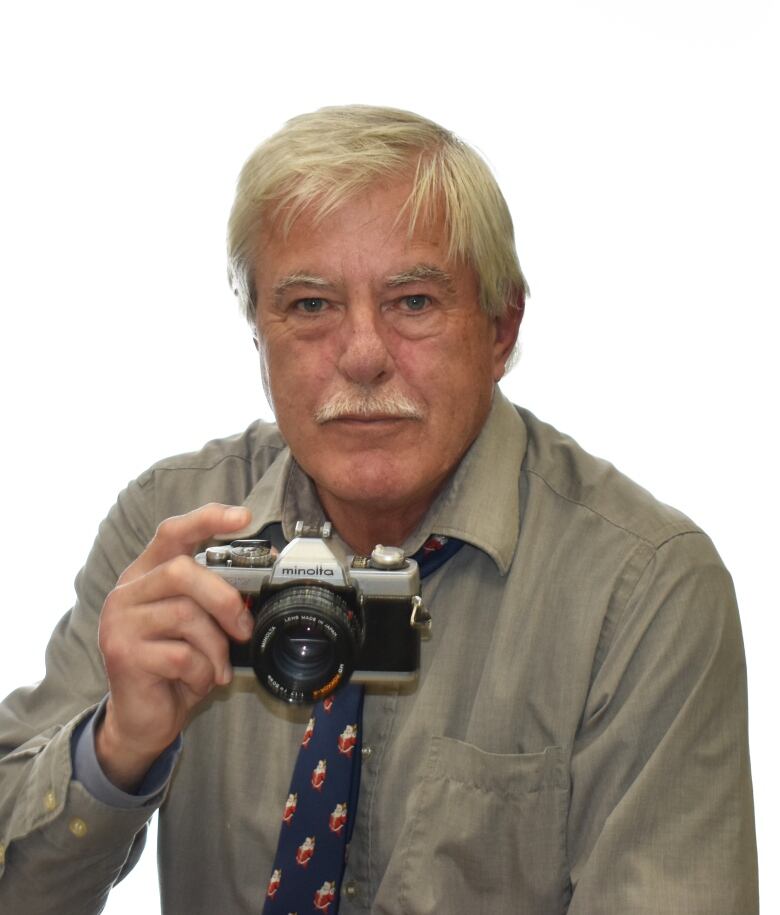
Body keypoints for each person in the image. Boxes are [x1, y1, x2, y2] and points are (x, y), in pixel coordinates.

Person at [0, 105, 758, 914]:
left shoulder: (641, 589)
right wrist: (115, 750)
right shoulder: (174, 527)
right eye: (311, 307)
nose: (361, 356)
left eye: (415, 302)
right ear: (258, 334)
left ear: (502, 329)